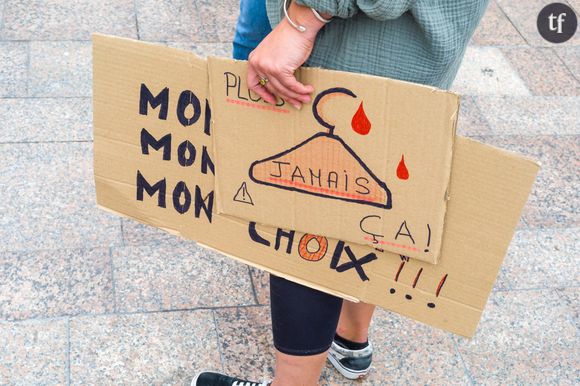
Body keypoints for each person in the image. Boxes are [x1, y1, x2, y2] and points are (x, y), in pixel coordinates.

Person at [193, 0, 489, 385]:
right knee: (372, 201)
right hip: (421, 39)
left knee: (306, 218)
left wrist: (303, 19)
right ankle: (351, 339)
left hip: (356, 36)